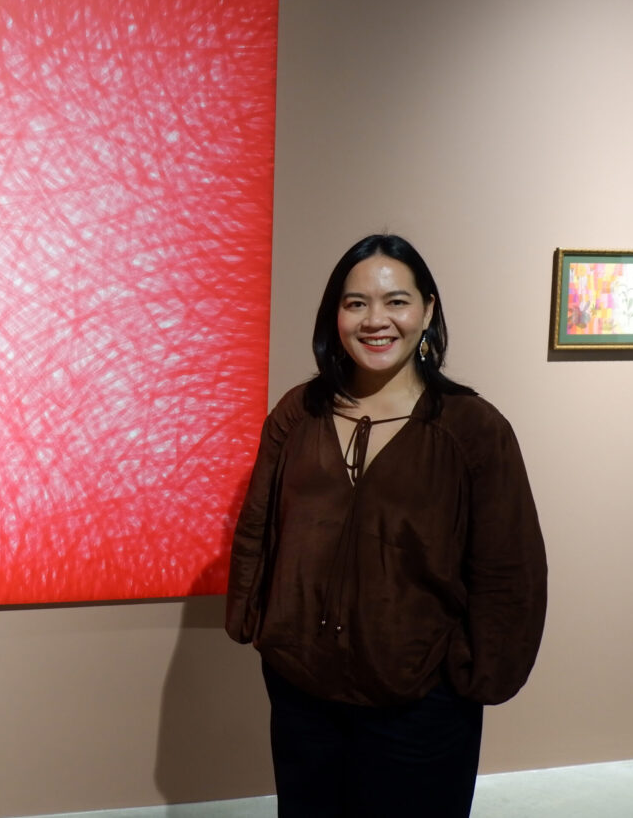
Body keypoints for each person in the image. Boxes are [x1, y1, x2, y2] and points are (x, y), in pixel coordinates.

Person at [225, 233, 547, 818]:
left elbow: (508, 567)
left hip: (420, 701)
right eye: (356, 303)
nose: (376, 320)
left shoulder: (473, 428)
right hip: (302, 693)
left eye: (396, 301)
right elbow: (258, 528)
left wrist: (475, 675)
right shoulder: (299, 412)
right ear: (336, 315)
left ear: (427, 310)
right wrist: (255, 621)